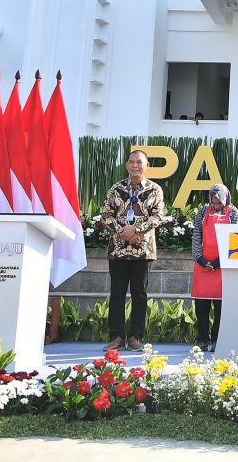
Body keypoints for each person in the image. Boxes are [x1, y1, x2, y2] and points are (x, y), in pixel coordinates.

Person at [99, 149, 165, 351]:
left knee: (140, 294)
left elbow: (158, 216)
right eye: (131, 162)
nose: (135, 165)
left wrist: (136, 230)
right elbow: (106, 215)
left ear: (147, 166)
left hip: (142, 250)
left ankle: (135, 337)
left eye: (139, 162)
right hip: (118, 250)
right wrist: (122, 231)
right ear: (127, 165)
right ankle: (117, 337)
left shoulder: (155, 190)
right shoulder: (116, 189)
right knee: (117, 293)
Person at [191, 184, 238, 351]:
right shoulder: (203, 212)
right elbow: (197, 234)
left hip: (222, 266)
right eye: (213, 202)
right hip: (203, 265)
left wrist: (219, 262)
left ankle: (218, 339)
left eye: (219, 203)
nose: (216, 206)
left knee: (220, 307)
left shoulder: (232, 212)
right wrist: (201, 259)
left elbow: (234, 238)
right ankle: (202, 339)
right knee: (201, 307)